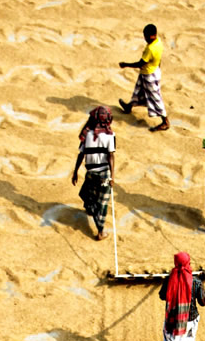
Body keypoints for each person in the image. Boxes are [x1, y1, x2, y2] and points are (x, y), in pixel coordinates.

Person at [72, 105, 115, 239]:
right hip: (104, 174)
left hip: (90, 173)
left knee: (88, 193)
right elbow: (111, 156)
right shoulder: (110, 135)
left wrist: (75, 172)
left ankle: (90, 210)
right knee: (102, 202)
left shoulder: (87, 134)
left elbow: (81, 155)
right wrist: (112, 176)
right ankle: (100, 231)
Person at [119, 22, 170, 132]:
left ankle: (165, 122)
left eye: (146, 36)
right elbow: (159, 58)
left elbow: (140, 63)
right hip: (153, 71)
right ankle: (129, 107)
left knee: (156, 98)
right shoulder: (158, 42)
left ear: (151, 36)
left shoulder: (150, 49)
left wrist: (126, 64)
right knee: (138, 91)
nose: (145, 39)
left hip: (149, 75)